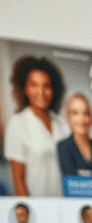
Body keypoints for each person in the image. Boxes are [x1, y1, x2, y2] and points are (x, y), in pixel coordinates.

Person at [4, 54, 69, 197]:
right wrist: (28, 207)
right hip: (35, 206)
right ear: (25, 88)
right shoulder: (17, 124)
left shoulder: (62, 124)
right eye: (34, 85)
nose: (41, 92)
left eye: (47, 86)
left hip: (63, 205)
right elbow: (18, 180)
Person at [57, 92, 92, 180]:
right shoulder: (63, 147)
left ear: (91, 118)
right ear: (68, 117)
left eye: (86, 113)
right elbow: (72, 183)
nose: (81, 119)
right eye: (75, 113)